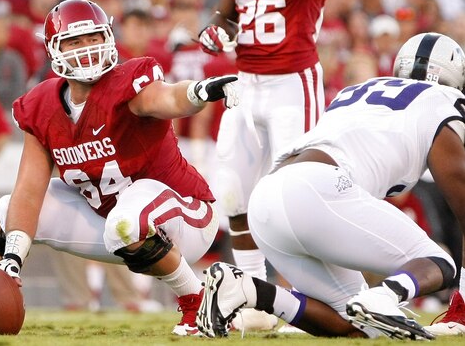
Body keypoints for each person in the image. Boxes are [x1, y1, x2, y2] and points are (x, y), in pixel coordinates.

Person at [0, 0, 238, 336]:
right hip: (114, 227)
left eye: (93, 38)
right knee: (5, 214)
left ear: (107, 38)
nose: (87, 48)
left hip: (185, 216)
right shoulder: (41, 105)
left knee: (127, 219)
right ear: (53, 49)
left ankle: (198, 301)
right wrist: (12, 262)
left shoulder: (128, 82)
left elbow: (165, 98)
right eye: (74, 41)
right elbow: (29, 189)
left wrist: (197, 92)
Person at [196, 32, 465, 340]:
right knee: (440, 261)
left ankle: (247, 290)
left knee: (360, 327)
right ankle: (386, 294)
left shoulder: (360, 89)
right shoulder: (442, 100)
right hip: (318, 189)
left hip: (269, 197)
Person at [198, 0, 359, 329]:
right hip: (245, 83)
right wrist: (217, 29)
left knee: (294, 198)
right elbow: (229, 6)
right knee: (234, 194)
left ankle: (306, 296)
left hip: (292, 82)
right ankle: (253, 296)